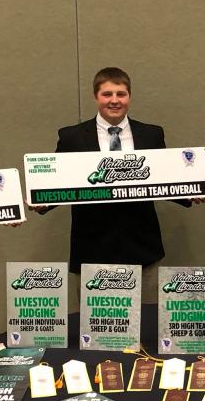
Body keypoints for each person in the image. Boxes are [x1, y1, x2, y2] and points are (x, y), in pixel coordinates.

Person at [49, 67, 197, 300]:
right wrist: (40, 202)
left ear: (129, 96)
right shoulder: (72, 137)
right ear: (95, 96)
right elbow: (57, 182)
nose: (114, 100)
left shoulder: (151, 135)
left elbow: (163, 178)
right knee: (97, 327)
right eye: (107, 94)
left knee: (144, 326)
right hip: (92, 247)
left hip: (142, 246)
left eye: (121, 94)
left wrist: (189, 193)